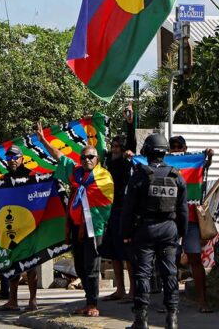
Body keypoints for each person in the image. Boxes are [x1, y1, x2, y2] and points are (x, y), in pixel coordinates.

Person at [36, 125, 113, 317]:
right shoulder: (76, 173)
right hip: (76, 226)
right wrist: (44, 141)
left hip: (94, 228)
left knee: (92, 266)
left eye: (91, 157)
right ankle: (88, 300)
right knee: (79, 266)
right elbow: (59, 156)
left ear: (97, 159)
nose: (87, 160)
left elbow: (107, 204)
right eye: (84, 157)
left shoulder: (103, 177)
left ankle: (93, 303)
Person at [121, 133, 188, 329]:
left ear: (147, 152)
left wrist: (125, 233)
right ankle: (172, 318)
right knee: (170, 273)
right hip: (169, 230)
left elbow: (128, 209)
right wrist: (181, 233)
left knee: (142, 274)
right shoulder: (176, 176)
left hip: (145, 230)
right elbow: (183, 210)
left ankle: (141, 320)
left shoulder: (140, 175)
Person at [169, 135, 214, 314]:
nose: (177, 149)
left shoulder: (192, 164)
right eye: (173, 146)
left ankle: (202, 300)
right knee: (169, 261)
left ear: (185, 148)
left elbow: (205, 167)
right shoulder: (163, 165)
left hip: (191, 220)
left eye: (180, 146)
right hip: (170, 220)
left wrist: (208, 157)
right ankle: (170, 303)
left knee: (195, 259)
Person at [0, 144, 40, 313]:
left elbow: (39, 197)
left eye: (15, 157)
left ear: (22, 158)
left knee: (31, 264)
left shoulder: (31, 175)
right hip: (10, 227)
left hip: (28, 226)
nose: (12, 161)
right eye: (9, 158)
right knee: (13, 264)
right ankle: (12, 301)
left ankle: (33, 300)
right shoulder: (4, 178)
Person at [101, 105, 137, 301]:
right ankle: (120, 290)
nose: (114, 149)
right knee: (113, 252)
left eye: (118, 147)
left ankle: (132, 290)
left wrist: (130, 123)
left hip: (125, 211)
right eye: (113, 146)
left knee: (127, 253)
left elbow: (132, 142)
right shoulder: (108, 162)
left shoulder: (125, 161)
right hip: (111, 211)